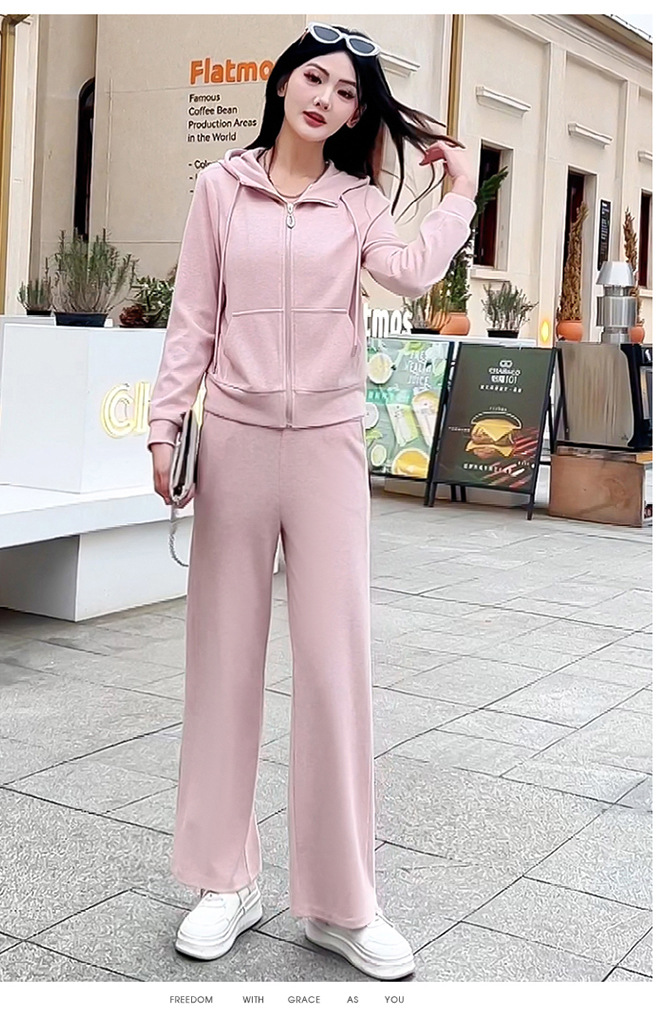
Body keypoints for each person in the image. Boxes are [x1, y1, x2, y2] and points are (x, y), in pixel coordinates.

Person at [147, 22, 476, 981]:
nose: (325, 98)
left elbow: (408, 273)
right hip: (237, 442)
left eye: (346, 92)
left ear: (355, 114)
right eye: (314, 78)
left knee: (335, 669)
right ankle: (224, 880)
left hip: (328, 447)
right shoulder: (221, 187)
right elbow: (192, 318)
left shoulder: (358, 202)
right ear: (284, 82)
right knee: (223, 663)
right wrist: (165, 425)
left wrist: (459, 195)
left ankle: (339, 903)